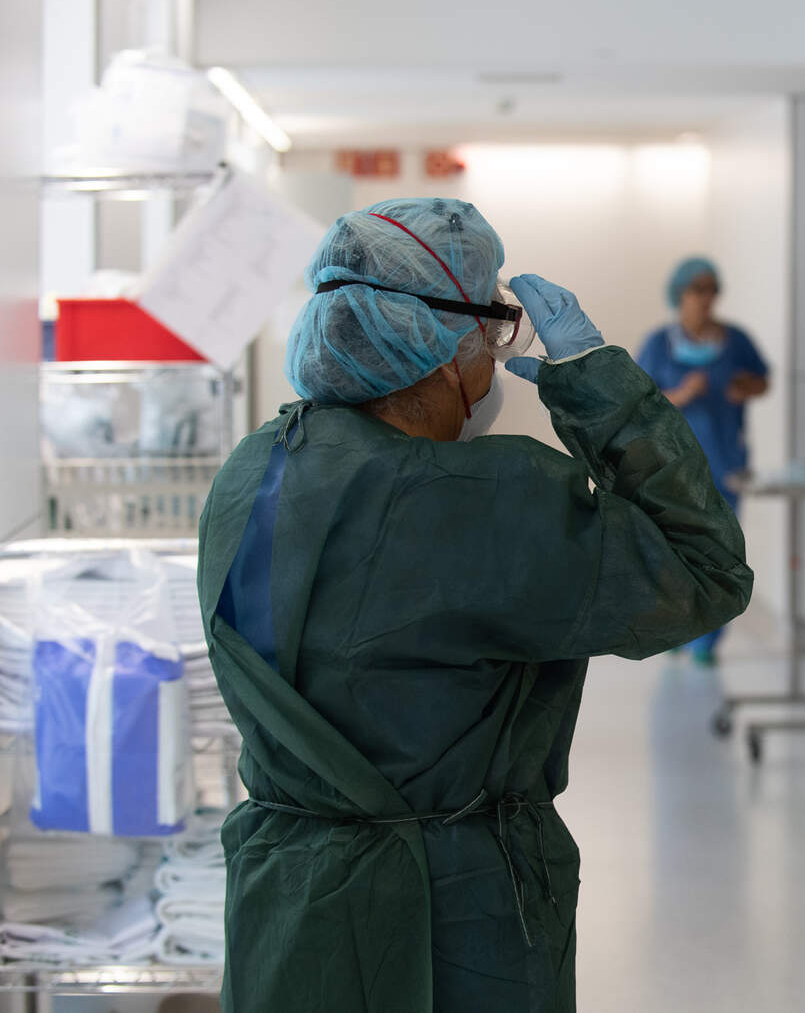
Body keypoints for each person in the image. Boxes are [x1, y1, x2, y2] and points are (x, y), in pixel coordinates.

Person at [195, 199, 752, 1013]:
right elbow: (705, 570)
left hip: (289, 908)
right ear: (442, 348)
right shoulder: (482, 498)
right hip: (455, 920)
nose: (493, 363)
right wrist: (597, 383)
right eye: (492, 333)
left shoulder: (249, 472)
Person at [635, 256, 770, 666]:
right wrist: (681, 395)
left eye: (712, 289)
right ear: (679, 294)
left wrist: (745, 386)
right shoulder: (658, 344)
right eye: (698, 289)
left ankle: (706, 641)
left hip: (724, 462)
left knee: (721, 553)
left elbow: (762, 379)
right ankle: (676, 628)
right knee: (672, 550)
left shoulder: (736, 341)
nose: (707, 297)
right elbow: (641, 398)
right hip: (670, 465)